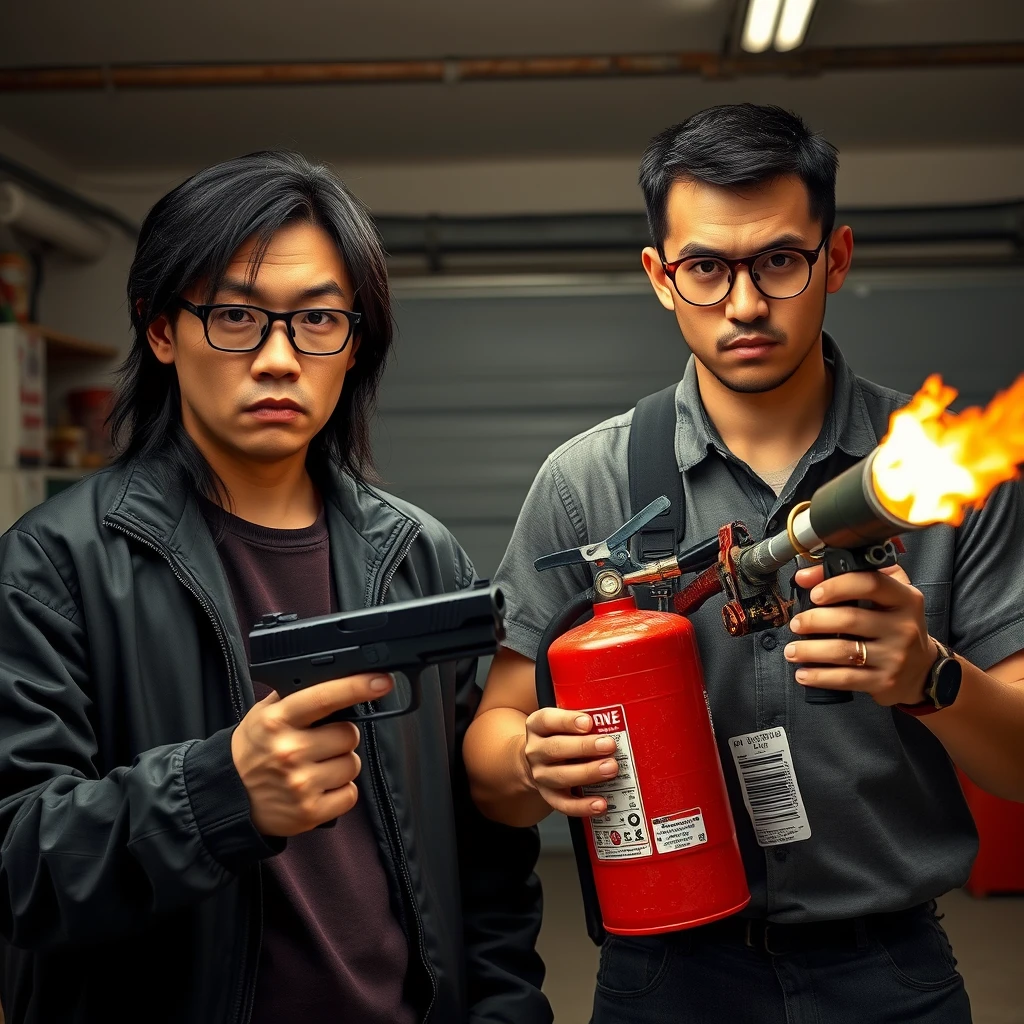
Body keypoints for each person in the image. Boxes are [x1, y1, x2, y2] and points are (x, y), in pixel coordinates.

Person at [463, 104, 1024, 1023]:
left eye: (778, 260)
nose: (746, 303)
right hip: (664, 978)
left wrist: (930, 676)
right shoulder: (586, 483)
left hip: (890, 973)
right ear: (659, 275)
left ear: (835, 257)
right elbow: (491, 756)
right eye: (705, 268)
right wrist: (531, 762)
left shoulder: (937, 472)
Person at [0, 151, 551, 1024]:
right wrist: (219, 793)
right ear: (159, 329)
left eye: (318, 320)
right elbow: (16, 869)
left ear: (354, 340)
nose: (279, 358)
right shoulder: (51, 567)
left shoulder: (417, 555)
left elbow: (485, 861)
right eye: (235, 317)